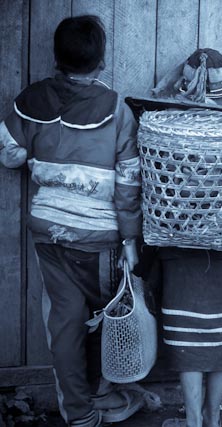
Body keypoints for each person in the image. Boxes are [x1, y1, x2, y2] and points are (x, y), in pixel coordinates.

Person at [0, 16, 143, 427]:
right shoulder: (117, 110)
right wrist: (131, 241)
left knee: (65, 325)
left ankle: (79, 415)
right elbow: (128, 182)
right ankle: (102, 393)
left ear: (56, 57)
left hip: (49, 235)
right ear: (101, 61)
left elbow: (8, 153)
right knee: (100, 318)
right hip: (100, 241)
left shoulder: (31, 101)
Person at [158, 49, 222, 427]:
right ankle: (213, 418)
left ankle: (194, 419)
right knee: (220, 337)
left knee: (189, 338)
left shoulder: (167, 127)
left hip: (178, 248)